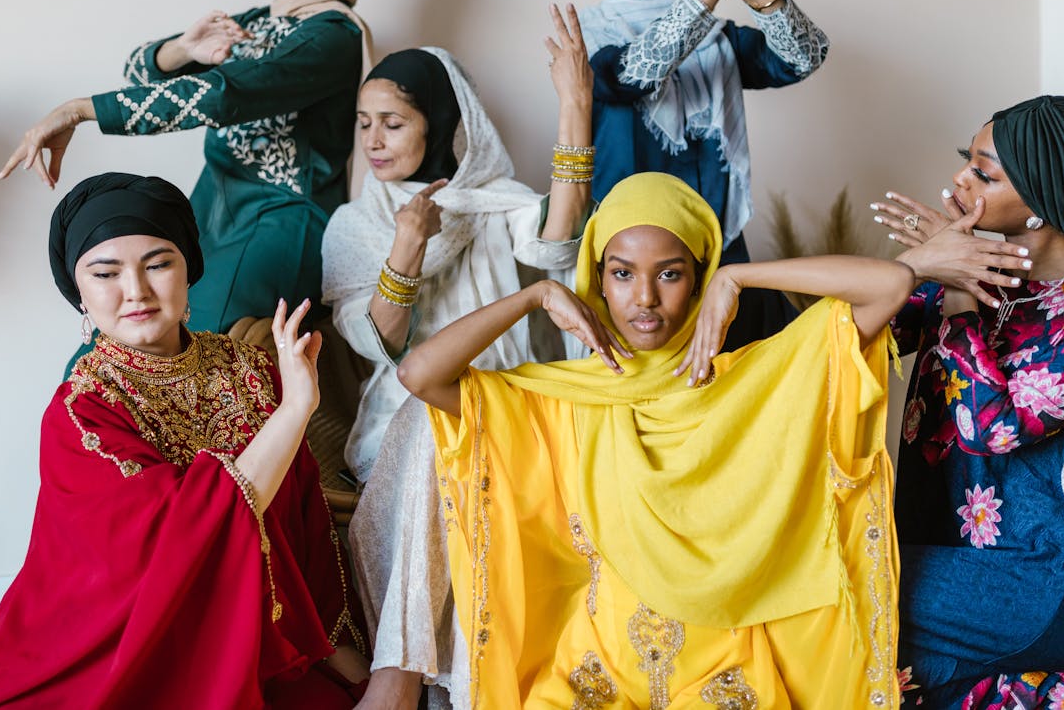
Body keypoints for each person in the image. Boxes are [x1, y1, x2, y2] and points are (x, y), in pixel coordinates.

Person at [395, 171, 925, 707]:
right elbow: (420, 374)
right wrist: (537, 294)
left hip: (726, 671)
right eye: (622, 274)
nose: (644, 298)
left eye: (670, 274)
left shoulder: (753, 382)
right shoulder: (564, 401)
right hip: (595, 671)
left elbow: (892, 285)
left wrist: (737, 276)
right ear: (598, 279)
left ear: (697, 281)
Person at [0, 173, 370, 709]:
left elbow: (300, 524)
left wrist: (333, 649)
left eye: (158, 264)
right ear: (79, 291)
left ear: (189, 268)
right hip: (124, 646)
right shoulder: (82, 414)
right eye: (106, 273)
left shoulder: (251, 369)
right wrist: (294, 411)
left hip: (265, 633)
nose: (137, 291)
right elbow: (191, 532)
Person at [320, 9, 594, 707]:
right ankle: (407, 678)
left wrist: (575, 107)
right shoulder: (358, 223)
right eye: (364, 123)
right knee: (432, 416)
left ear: (440, 124)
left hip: (514, 415)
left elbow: (556, 248)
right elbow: (376, 341)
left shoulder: (499, 204)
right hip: (405, 423)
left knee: (463, 422)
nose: (374, 141)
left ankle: (411, 680)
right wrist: (407, 247)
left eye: (394, 122)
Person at [0, 0, 371, 333]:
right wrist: (182, 51)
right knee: (117, 340)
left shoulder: (333, 36)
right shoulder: (255, 21)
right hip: (208, 210)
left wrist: (80, 110)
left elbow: (221, 96)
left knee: (185, 338)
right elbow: (137, 73)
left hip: (281, 222)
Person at [871, 95, 1064, 709]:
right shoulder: (965, 274)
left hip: (1039, 581)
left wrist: (957, 294)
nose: (958, 180)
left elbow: (991, 428)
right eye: (965, 161)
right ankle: (1039, 688)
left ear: (1041, 206)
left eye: (984, 172)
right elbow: (858, 337)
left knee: (840, 595)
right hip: (935, 557)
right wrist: (917, 265)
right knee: (874, 659)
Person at [579, 0, 829, 346]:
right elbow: (638, 71)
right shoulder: (590, 37)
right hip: (632, 275)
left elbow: (805, 55)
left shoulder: (717, 40)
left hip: (720, 259)